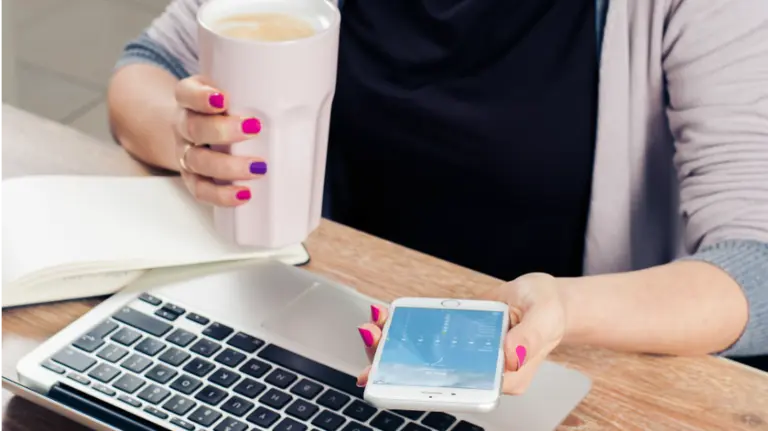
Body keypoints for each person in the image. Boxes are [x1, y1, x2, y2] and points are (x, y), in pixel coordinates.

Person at [107, 0, 768, 390]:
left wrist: (564, 309)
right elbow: (146, 67)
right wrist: (193, 135)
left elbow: (755, 264)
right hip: (322, 338)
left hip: (561, 375)